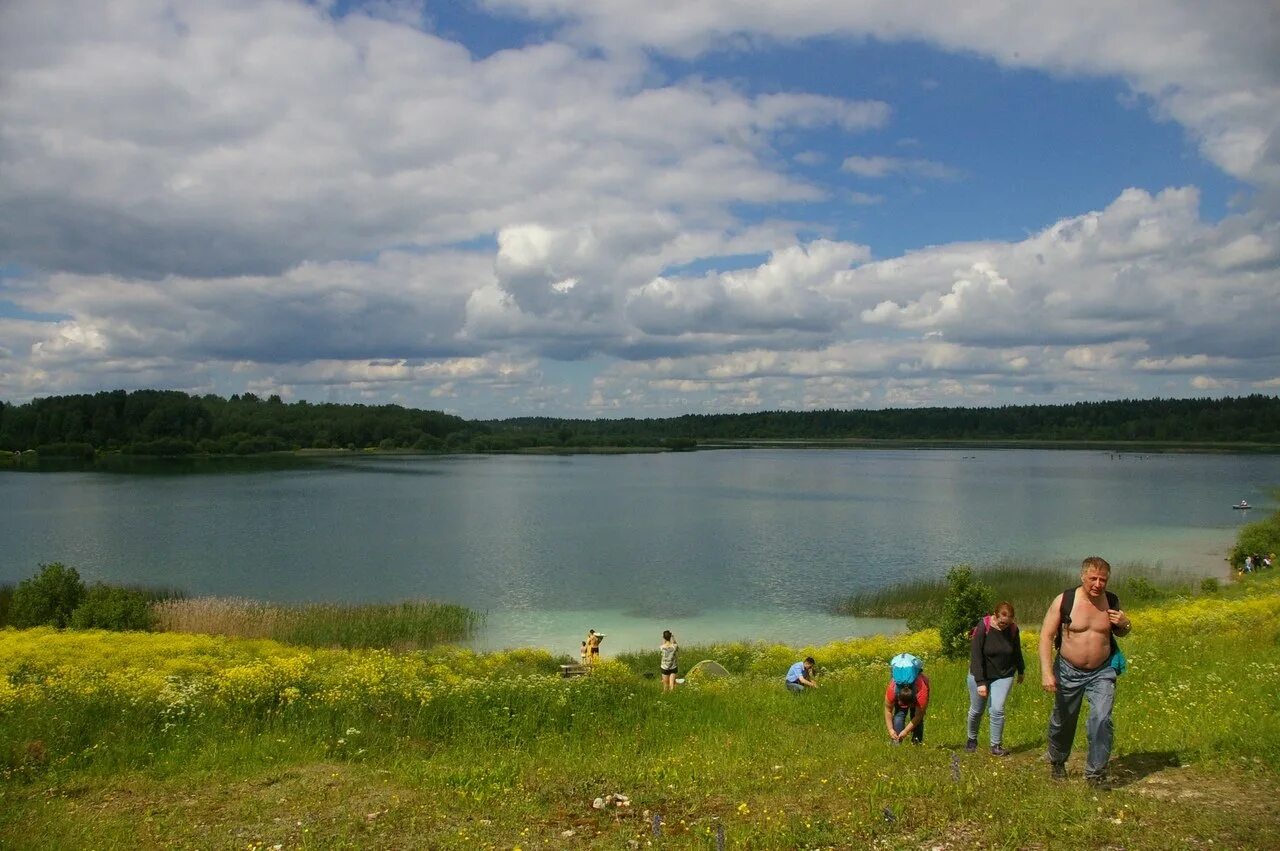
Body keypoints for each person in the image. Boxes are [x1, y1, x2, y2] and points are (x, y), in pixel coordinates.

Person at [1039, 556, 1132, 785]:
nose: (1098, 584)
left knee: (1102, 718)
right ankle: (1058, 760)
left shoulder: (1111, 601)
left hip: (1102, 671)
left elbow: (1122, 631)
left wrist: (1125, 623)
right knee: (1063, 720)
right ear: (1083, 576)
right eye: (1093, 578)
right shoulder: (1065, 600)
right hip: (1068, 670)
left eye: (1103, 579)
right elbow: (1046, 636)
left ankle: (1095, 774)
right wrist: (1046, 672)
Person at [966, 601, 1025, 756]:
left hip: (1004, 675)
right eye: (1001, 622)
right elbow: (976, 655)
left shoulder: (1013, 629)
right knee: (977, 710)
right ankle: (972, 740)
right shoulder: (983, 627)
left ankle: (996, 746)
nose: (1004, 626)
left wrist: (1021, 670)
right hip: (981, 675)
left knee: (997, 709)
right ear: (995, 615)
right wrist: (980, 682)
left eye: (1008, 623)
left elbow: (1017, 651)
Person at [885, 662, 929, 744]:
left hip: (919, 690)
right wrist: (891, 730)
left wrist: (905, 731)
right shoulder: (892, 690)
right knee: (899, 714)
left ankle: (916, 743)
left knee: (916, 716)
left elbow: (918, 716)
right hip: (901, 693)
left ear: (914, 701)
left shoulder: (921, 694)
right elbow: (888, 711)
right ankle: (896, 743)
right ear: (898, 698)